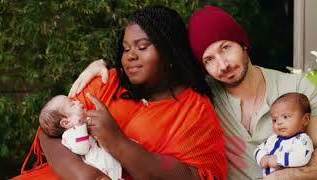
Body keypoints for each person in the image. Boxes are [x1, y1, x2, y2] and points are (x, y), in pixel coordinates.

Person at [69, 5, 317, 180]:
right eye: (209, 59)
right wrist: (101, 65)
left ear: (243, 43)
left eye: (226, 48)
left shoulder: (296, 90)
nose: (223, 65)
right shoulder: (205, 97)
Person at [40, 5, 227, 180]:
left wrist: (119, 143)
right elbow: (48, 131)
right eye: (126, 48)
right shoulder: (108, 81)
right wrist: (86, 175)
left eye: (142, 47)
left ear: (170, 51)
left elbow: (193, 175)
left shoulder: (196, 110)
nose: (130, 55)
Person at [38, 95, 122, 180]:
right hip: (100, 168)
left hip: (107, 163)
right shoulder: (69, 135)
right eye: (72, 104)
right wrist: (80, 125)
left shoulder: (79, 128)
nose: (77, 102)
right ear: (66, 123)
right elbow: (82, 148)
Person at [253, 93, 314, 176]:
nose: (279, 122)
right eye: (274, 120)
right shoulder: (273, 138)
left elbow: (303, 156)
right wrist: (262, 157)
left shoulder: (302, 140)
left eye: (285, 117)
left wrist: (278, 159)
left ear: (305, 119)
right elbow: (258, 149)